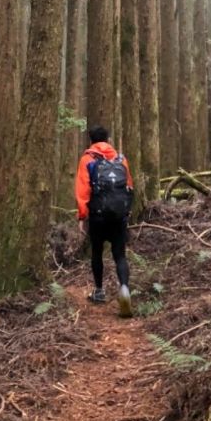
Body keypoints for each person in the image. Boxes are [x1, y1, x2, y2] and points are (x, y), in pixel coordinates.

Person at [75, 125, 134, 317]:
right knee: (120, 254)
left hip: (98, 215)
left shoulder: (87, 159)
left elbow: (83, 190)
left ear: (91, 140)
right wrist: (126, 211)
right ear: (108, 140)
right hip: (118, 215)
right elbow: (129, 186)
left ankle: (99, 291)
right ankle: (124, 288)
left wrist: (82, 216)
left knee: (97, 252)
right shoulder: (120, 159)